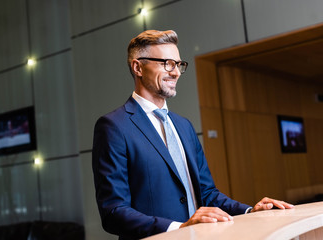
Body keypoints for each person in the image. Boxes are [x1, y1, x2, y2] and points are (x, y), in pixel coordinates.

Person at [92, 30, 294, 240]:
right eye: (167, 63)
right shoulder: (114, 126)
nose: (176, 72)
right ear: (138, 67)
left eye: (179, 64)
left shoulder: (184, 126)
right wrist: (178, 227)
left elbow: (207, 194)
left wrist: (250, 212)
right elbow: (113, 212)